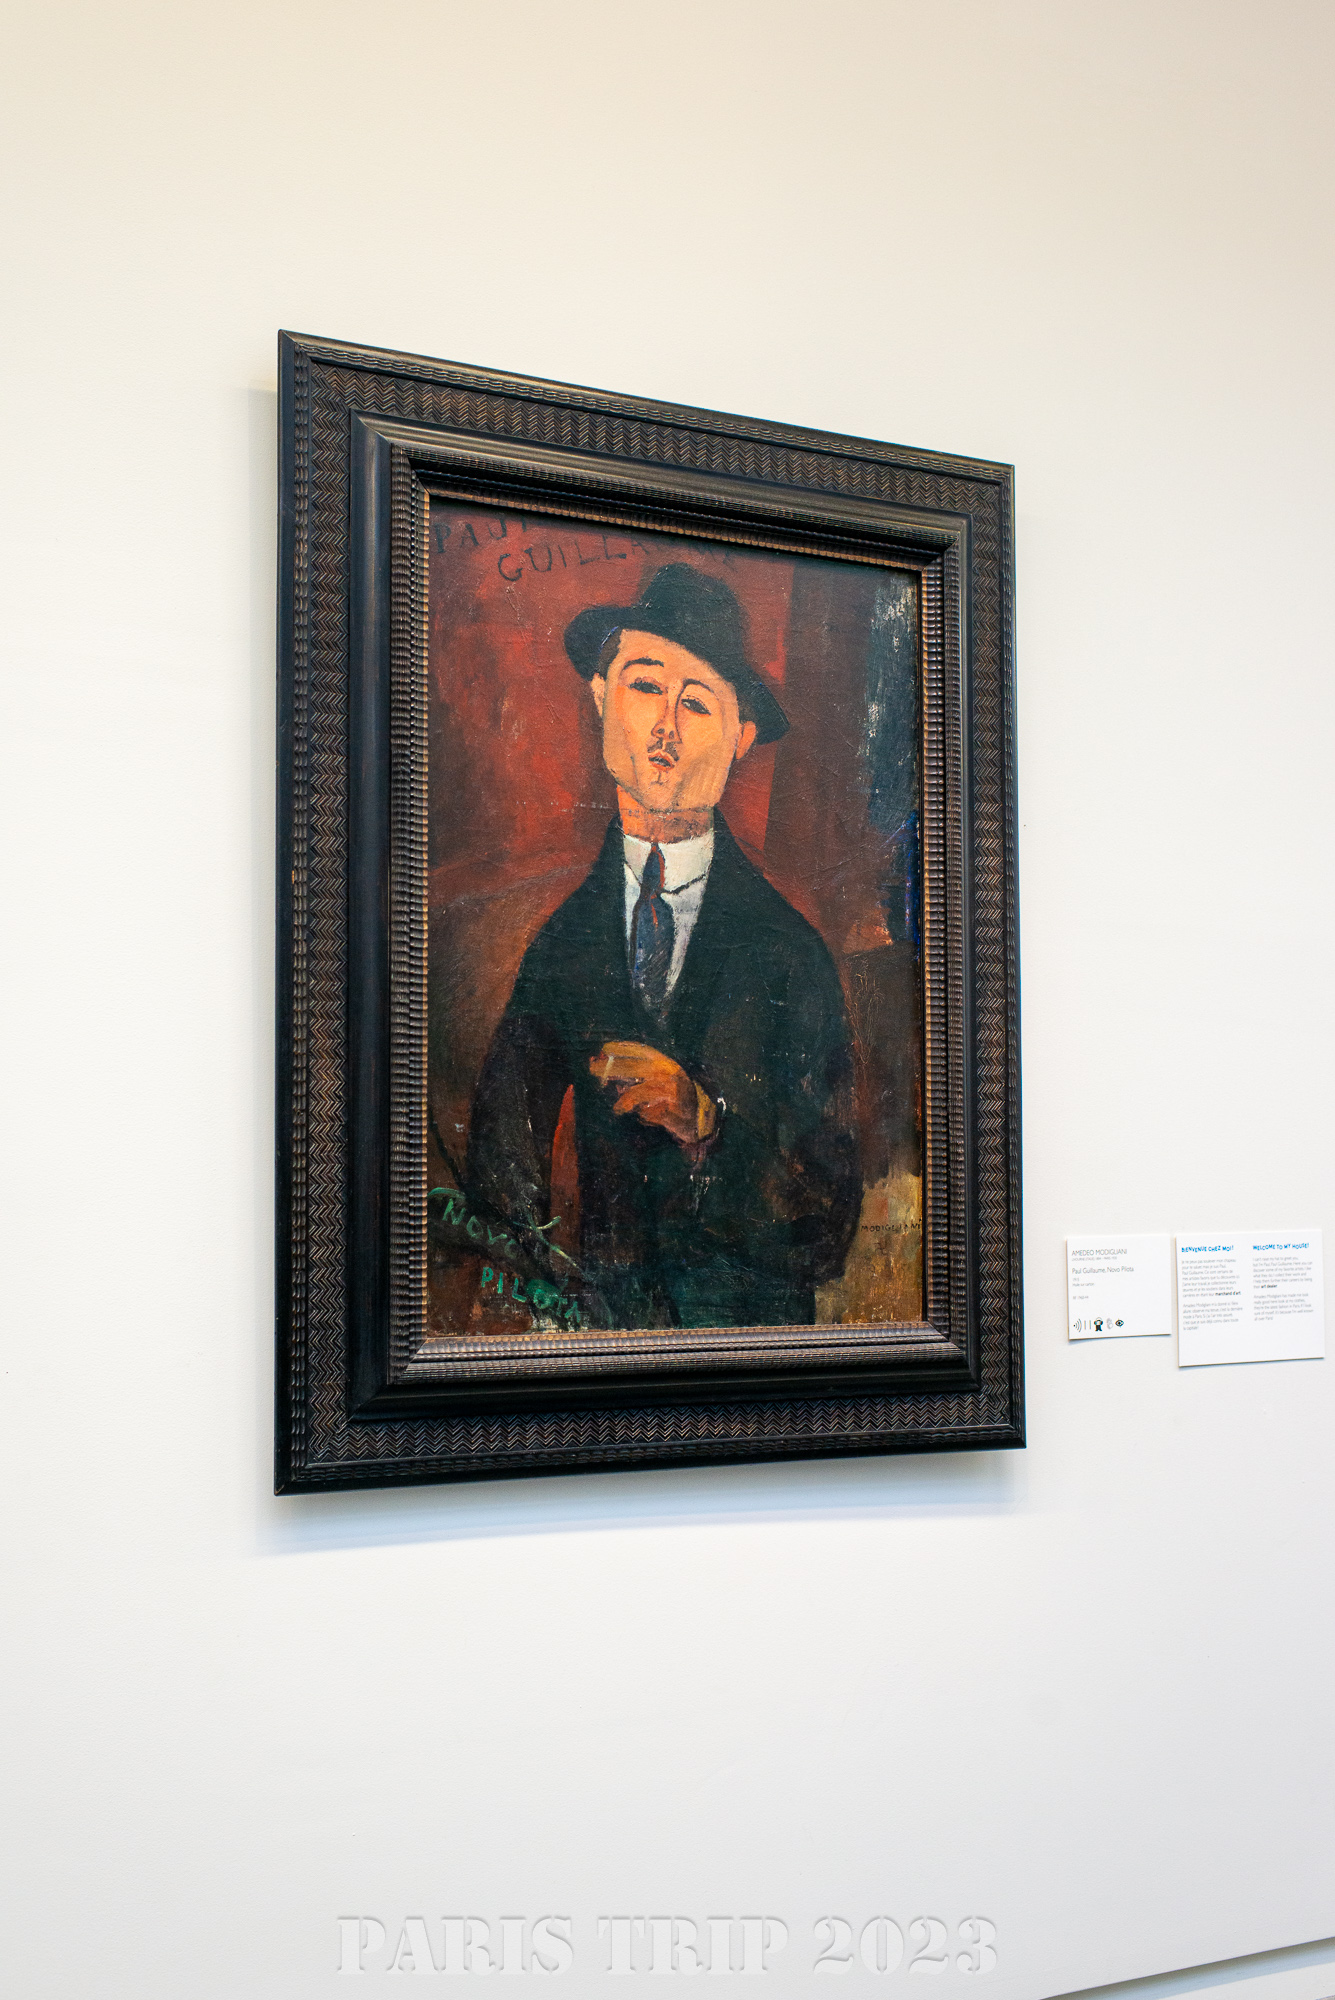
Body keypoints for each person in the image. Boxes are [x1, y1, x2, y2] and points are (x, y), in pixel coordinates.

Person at [466, 562, 861, 1329]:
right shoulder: (563, 943)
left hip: (753, 1355)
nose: (665, 729)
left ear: (741, 738)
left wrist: (706, 1123)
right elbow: (498, 1170)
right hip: (602, 1355)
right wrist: (543, 1308)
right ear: (600, 697)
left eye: (697, 703)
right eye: (645, 686)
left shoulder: (789, 952)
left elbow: (825, 1227)